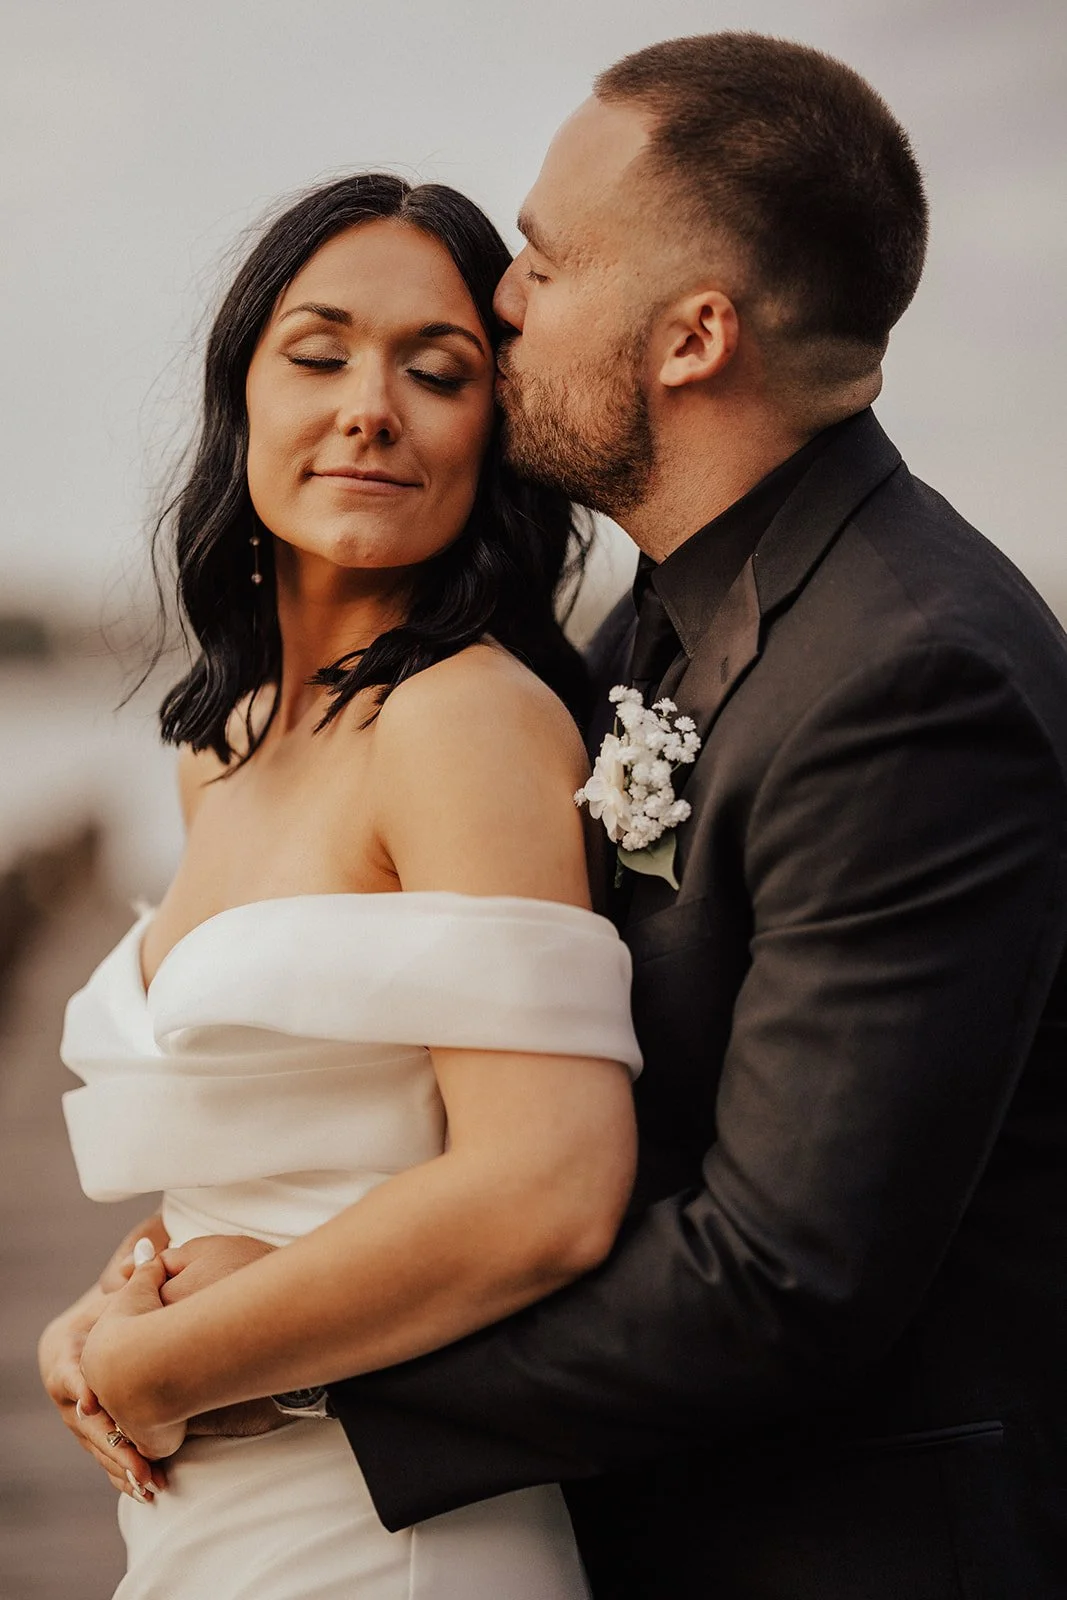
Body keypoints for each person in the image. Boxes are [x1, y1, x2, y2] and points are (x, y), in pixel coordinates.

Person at [47, 30, 1067, 1598]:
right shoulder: (634, 636)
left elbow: (781, 1276)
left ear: (690, 336)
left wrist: (268, 1377)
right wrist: (202, 1291)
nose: (503, 297)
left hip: (819, 1549)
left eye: (540, 258)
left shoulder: (910, 676)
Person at [39, 172, 642, 1598]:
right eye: (317, 355)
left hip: (386, 1525)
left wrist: (154, 1363)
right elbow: (288, 1149)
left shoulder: (462, 718)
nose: (369, 405)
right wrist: (98, 1321)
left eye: (435, 373)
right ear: (240, 395)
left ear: (492, 429)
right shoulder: (225, 748)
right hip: (208, 1509)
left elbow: (542, 1189)